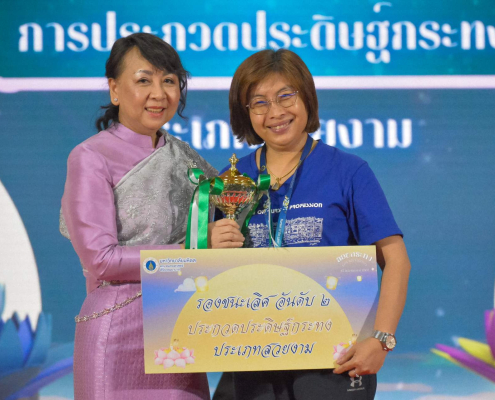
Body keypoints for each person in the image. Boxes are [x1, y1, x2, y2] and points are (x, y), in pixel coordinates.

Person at [213, 49, 411, 399]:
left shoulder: (349, 171)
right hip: (252, 354)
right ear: (244, 112)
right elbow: (209, 275)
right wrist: (209, 246)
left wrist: (381, 340)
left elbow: (396, 260)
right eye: (259, 102)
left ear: (306, 97)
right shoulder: (232, 179)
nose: (275, 112)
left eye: (285, 96)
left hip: (334, 359)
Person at [60, 33, 241, 400]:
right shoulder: (91, 157)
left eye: (169, 81)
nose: (159, 94)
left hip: (181, 331)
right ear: (114, 89)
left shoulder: (186, 157)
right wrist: (196, 247)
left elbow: (232, 219)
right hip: (117, 333)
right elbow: (102, 260)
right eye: (144, 80)